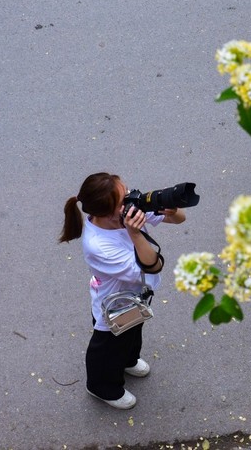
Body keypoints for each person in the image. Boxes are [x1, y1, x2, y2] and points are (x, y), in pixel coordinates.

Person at [59, 172, 186, 409]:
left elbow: (179, 219)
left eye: (127, 191)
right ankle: (101, 386)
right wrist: (135, 233)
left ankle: (128, 360)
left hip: (135, 297)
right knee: (107, 346)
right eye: (123, 200)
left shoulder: (126, 211)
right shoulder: (98, 245)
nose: (130, 200)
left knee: (132, 333)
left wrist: (170, 209)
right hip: (114, 304)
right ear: (107, 212)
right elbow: (153, 265)